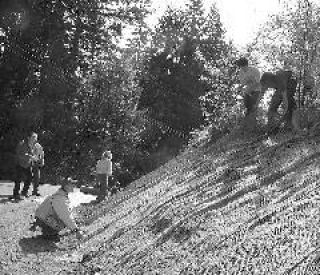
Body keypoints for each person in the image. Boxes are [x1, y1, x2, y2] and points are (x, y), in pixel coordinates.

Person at [29, 177, 84, 241]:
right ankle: (49, 234)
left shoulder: (60, 194)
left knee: (68, 220)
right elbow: (65, 216)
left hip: (42, 218)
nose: (74, 186)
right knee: (63, 223)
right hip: (44, 220)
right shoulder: (59, 199)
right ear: (66, 186)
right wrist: (76, 230)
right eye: (71, 184)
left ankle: (49, 232)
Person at [11, 131, 38, 200]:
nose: (35, 139)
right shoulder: (22, 144)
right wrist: (30, 156)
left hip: (27, 165)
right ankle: (15, 194)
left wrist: (34, 158)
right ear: (28, 137)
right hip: (19, 164)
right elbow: (20, 154)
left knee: (29, 178)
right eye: (33, 137)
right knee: (18, 180)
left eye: (36, 138)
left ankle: (24, 193)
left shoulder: (34, 145)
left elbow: (32, 155)